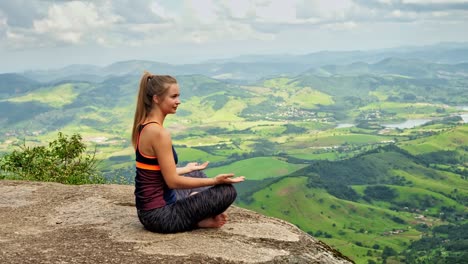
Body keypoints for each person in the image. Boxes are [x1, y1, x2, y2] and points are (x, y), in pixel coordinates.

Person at [131, 71, 245, 233]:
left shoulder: (144, 126)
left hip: (148, 212)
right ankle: (198, 221)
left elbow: (155, 173)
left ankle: (193, 211)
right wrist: (215, 181)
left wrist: (187, 170)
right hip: (161, 216)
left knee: (197, 174)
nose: (178, 101)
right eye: (173, 96)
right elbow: (172, 182)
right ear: (156, 98)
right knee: (227, 191)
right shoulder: (159, 133)